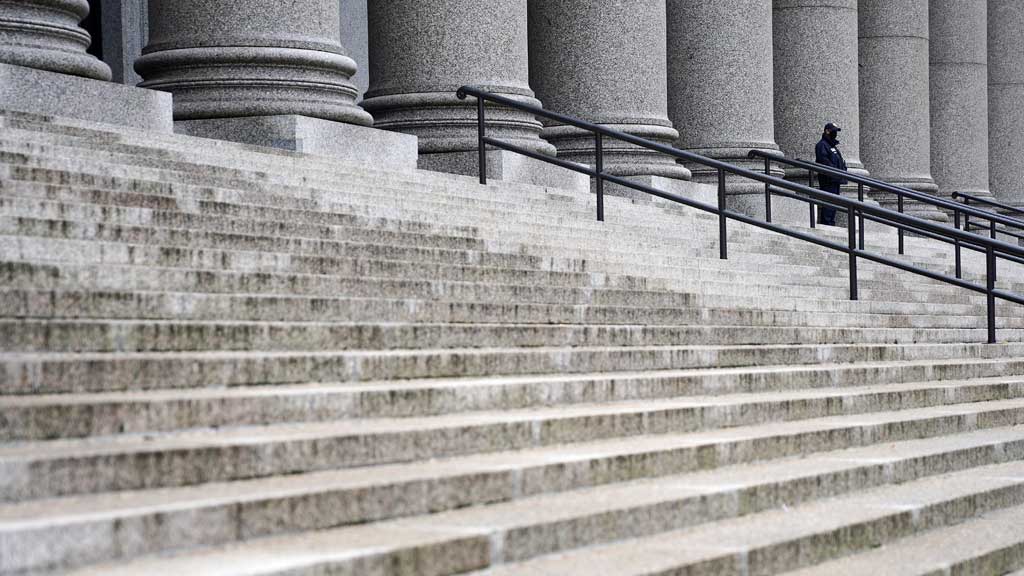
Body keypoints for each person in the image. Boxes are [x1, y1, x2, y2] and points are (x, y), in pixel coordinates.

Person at [814, 122, 848, 226]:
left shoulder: (832, 146)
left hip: (835, 178)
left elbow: (839, 161)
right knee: (829, 202)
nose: (835, 133)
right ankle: (827, 223)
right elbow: (824, 161)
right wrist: (835, 172)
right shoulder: (822, 145)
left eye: (836, 131)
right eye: (833, 131)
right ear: (827, 131)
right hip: (828, 179)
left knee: (834, 203)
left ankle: (831, 222)